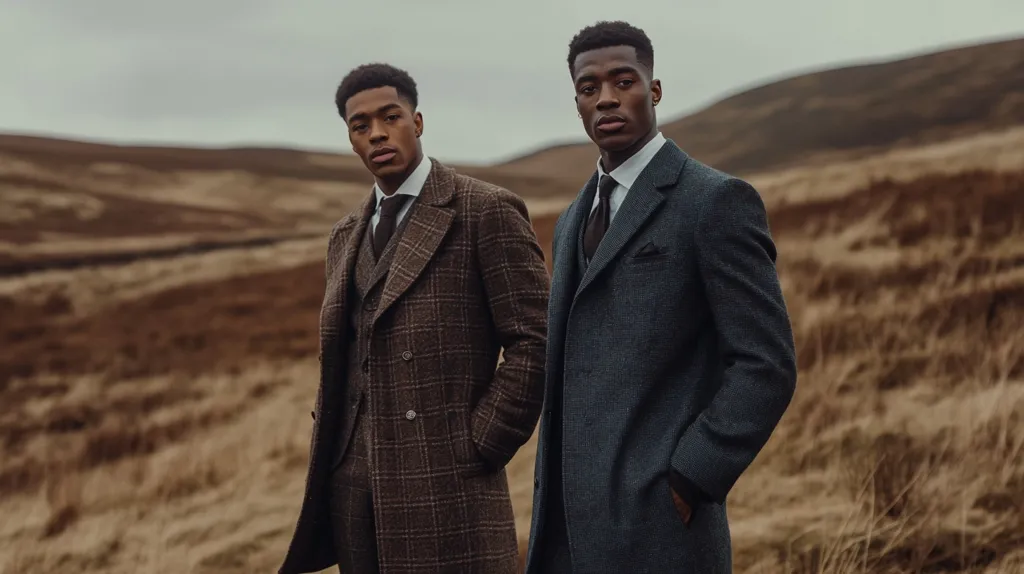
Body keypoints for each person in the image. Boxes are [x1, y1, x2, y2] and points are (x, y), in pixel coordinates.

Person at [524, 21, 798, 573]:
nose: (605, 98)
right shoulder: (572, 218)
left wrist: (692, 476)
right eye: (588, 88)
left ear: (654, 89)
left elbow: (765, 363)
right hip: (564, 530)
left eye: (623, 81)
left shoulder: (714, 201)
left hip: (661, 527)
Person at [278, 63, 549, 574]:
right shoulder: (344, 234)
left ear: (417, 122)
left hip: (448, 483)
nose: (377, 133)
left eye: (390, 117)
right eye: (361, 126)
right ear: (351, 139)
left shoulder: (484, 210)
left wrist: (479, 444)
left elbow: (536, 339)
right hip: (353, 491)